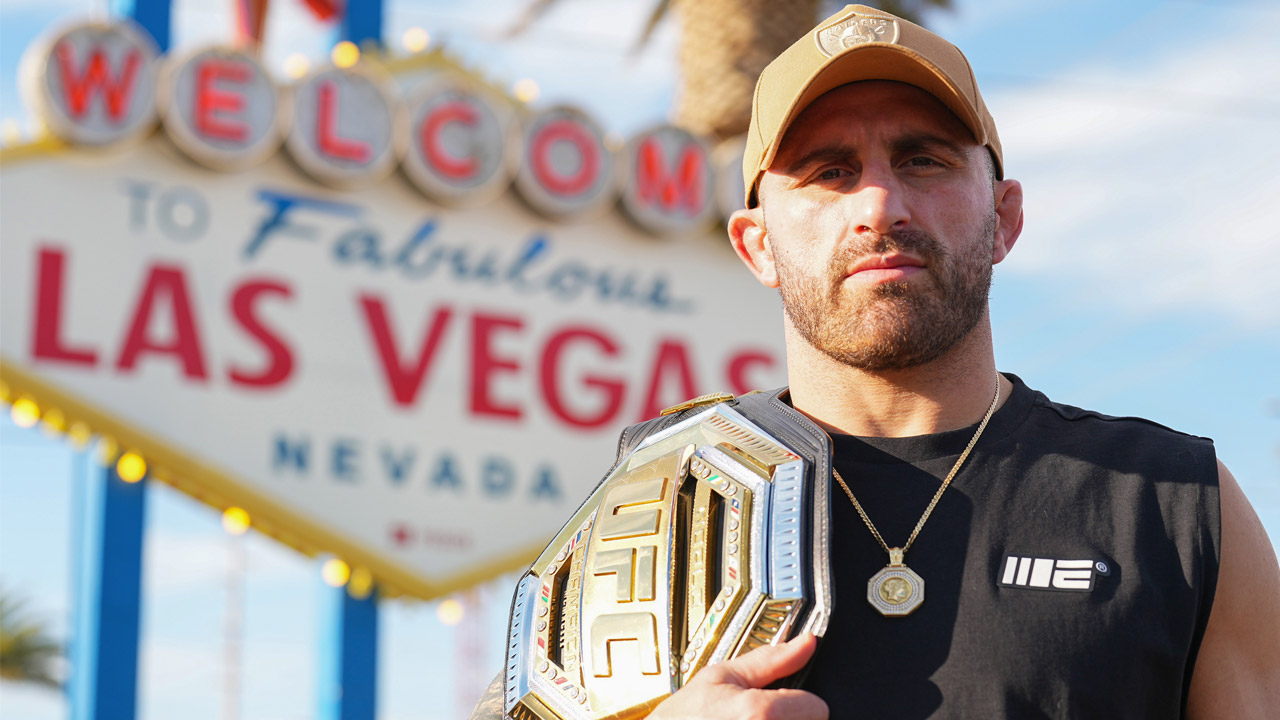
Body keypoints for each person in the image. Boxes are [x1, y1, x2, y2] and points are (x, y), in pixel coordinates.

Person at [472, 5, 1280, 718]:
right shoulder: (651, 506)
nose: (879, 207)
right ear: (758, 245)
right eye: (829, 172)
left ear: (1003, 218)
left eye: (923, 160)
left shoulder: (1178, 506)